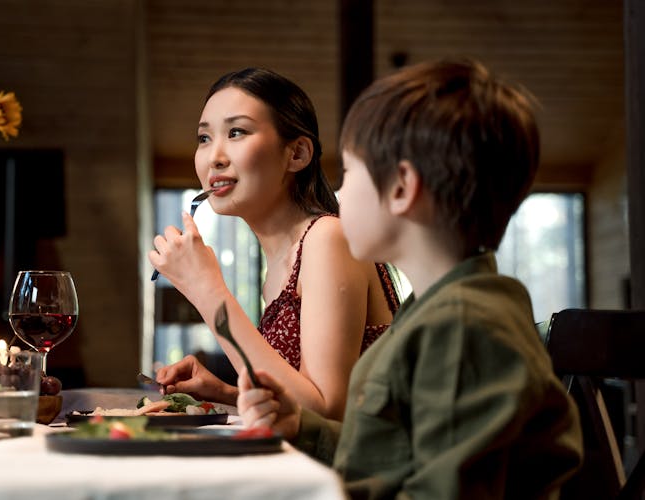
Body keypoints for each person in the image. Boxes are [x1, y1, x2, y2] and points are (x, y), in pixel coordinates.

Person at [237, 59, 583, 499]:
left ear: (401, 188)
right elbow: (397, 455)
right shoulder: (435, 312)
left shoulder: (461, 329)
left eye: (350, 173)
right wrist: (304, 429)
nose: (338, 195)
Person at [149, 68, 400, 420]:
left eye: (236, 132)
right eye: (204, 138)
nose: (214, 157)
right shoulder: (287, 259)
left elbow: (325, 413)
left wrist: (205, 288)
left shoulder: (328, 238)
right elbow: (299, 402)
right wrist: (226, 394)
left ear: (296, 154)